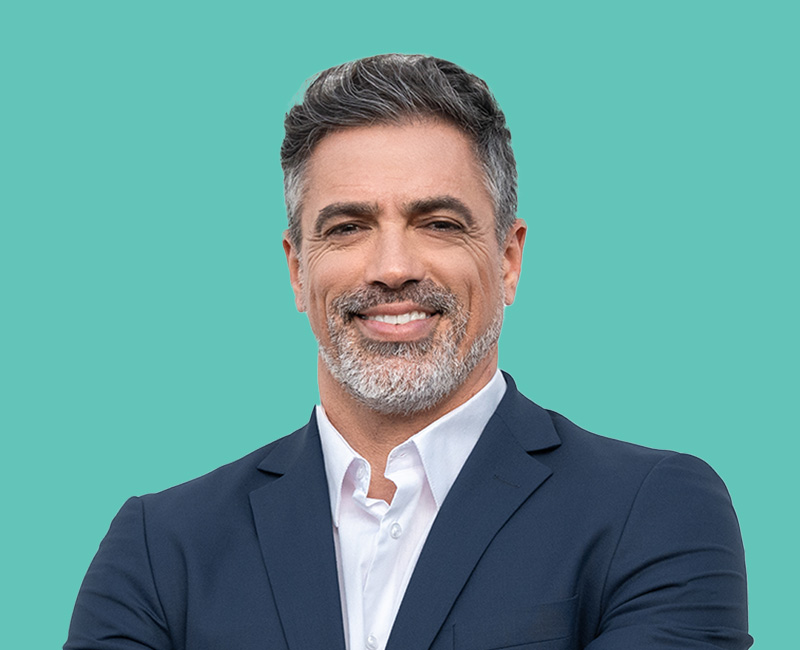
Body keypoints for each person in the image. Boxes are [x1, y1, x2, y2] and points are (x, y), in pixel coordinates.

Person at [65, 54, 752, 650]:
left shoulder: (653, 511)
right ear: (296, 271)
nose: (392, 267)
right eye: (348, 226)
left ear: (508, 261)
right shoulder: (160, 547)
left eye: (439, 222)